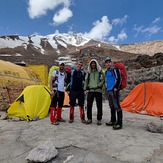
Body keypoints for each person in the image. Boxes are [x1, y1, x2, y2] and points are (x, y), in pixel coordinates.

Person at [84, 59, 105, 125]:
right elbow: (86, 81)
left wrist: (99, 85)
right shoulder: (89, 72)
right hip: (90, 90)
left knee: (99, 105)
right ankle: (89, 118)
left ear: (96, 64)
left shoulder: (100, 72)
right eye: (92, 63)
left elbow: (103, 80)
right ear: (90, 65)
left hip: (98, 90)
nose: (93, 64)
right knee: (89, 105)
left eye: (94, 63)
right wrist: (85, 89)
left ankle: (99, 119)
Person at [105, 57, 123, 130]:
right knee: (111, 106)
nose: (108, 63)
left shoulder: (115, 70)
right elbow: (106, 80)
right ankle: (113, 120)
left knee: (117, 105)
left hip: (114, 90)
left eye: (109, 62)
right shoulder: (107, 71)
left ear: (111, 63)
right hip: (109, 90)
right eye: (107, 62)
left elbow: (119, 78)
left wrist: (116, 87)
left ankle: (119, 122)